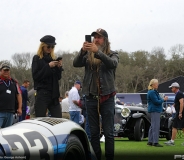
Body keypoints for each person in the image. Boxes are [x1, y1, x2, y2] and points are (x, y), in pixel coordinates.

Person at [73, 28, 119, 160]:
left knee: (109, 133)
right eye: (95, 37)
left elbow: (112, 64)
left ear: (105, 40)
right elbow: (75, 63)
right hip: (91, 97)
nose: (96, 40)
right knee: (93, 133)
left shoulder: (112, 54)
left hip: (107, 97)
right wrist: (82, 51)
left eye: (99, 37)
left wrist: (97, 52)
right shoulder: (87, 55)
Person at [31, 35, 63, 118]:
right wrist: (48, 66)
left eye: (52, 47)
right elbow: (36, 76)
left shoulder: (53, 58)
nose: (50, 48)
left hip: (54, 94)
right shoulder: (37, 58)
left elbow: (58, 77)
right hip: (43, 93)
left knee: (58, 119)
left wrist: (59, 68)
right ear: (43, 46)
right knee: (40, 119)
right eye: (48, 46)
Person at [0, 63, 22, 128]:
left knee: (6, 132)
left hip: (10, 112)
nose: (6, 72)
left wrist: (19, 108)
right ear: (0, 71)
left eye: (7, 70)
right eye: (4, 70)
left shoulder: (14, 82)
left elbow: (19, 95)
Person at [147, 79, 168, 147]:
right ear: (152, 84)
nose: (158, 85)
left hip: (154, 110)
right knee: (155, 126)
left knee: (152, 126)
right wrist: (163, 100)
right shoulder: (152, 92)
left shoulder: (153, 92)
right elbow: (156, 101)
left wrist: (161, 100)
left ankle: (150, 141)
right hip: (155, 110)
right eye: (156, 84)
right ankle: (155, 142)